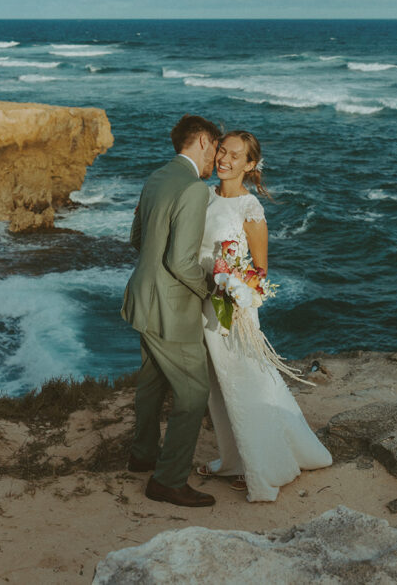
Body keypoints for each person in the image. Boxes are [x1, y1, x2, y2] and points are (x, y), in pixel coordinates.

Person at [196, 130, 332, 502]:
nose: (224, 159)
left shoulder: (250, 209)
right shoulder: (204, 197)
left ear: (251, 165)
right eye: (221, 151)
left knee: (247, 385)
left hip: (233, 311)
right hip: (204, 304)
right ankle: (234, 459)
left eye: (235, 156)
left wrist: (233, 288)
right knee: (219, 388)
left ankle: (267, 467)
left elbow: (259, 270)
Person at [121, 114, 222, 508]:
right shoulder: (195, 189)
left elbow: (136, 239)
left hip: (142, 299)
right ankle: (167, 480)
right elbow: (182, 263)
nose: (216, 156)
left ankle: (142, 455)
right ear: (201, 141)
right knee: (194, 393)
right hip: (171, 309)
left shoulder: (157, 178)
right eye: (215, 146)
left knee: (151, 383)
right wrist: (208, 290)